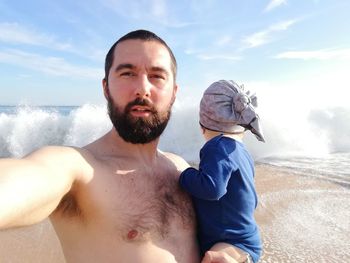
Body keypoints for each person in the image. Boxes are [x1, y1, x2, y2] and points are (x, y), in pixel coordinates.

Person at [0, 30, 239, 263]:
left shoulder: (181, 169)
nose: (142, 88)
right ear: (106, 88)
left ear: (174, 93)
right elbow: (28, 177)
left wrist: (228, 254)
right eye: (127, 73)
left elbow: (231, 236)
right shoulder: (78, 169)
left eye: (157, 76)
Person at [179, 80, 265, 263]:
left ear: (203, 124)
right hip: (247, 240)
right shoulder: (242, 152)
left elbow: (212, 189)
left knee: (211, 259)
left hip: (231, 242)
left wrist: (183, 174)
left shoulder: (217, 146)